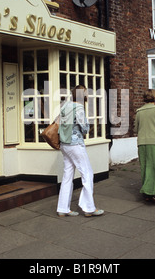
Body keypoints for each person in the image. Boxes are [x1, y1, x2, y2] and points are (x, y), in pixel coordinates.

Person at [56, 85, 104, 217]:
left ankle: (62, 208)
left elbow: (58, 123)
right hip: (75, 144)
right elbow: (85, 128)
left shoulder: (65, 105)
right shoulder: (79, 107)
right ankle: (89, 208)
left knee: (67, 176)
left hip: (64, 144)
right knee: (87, 174)